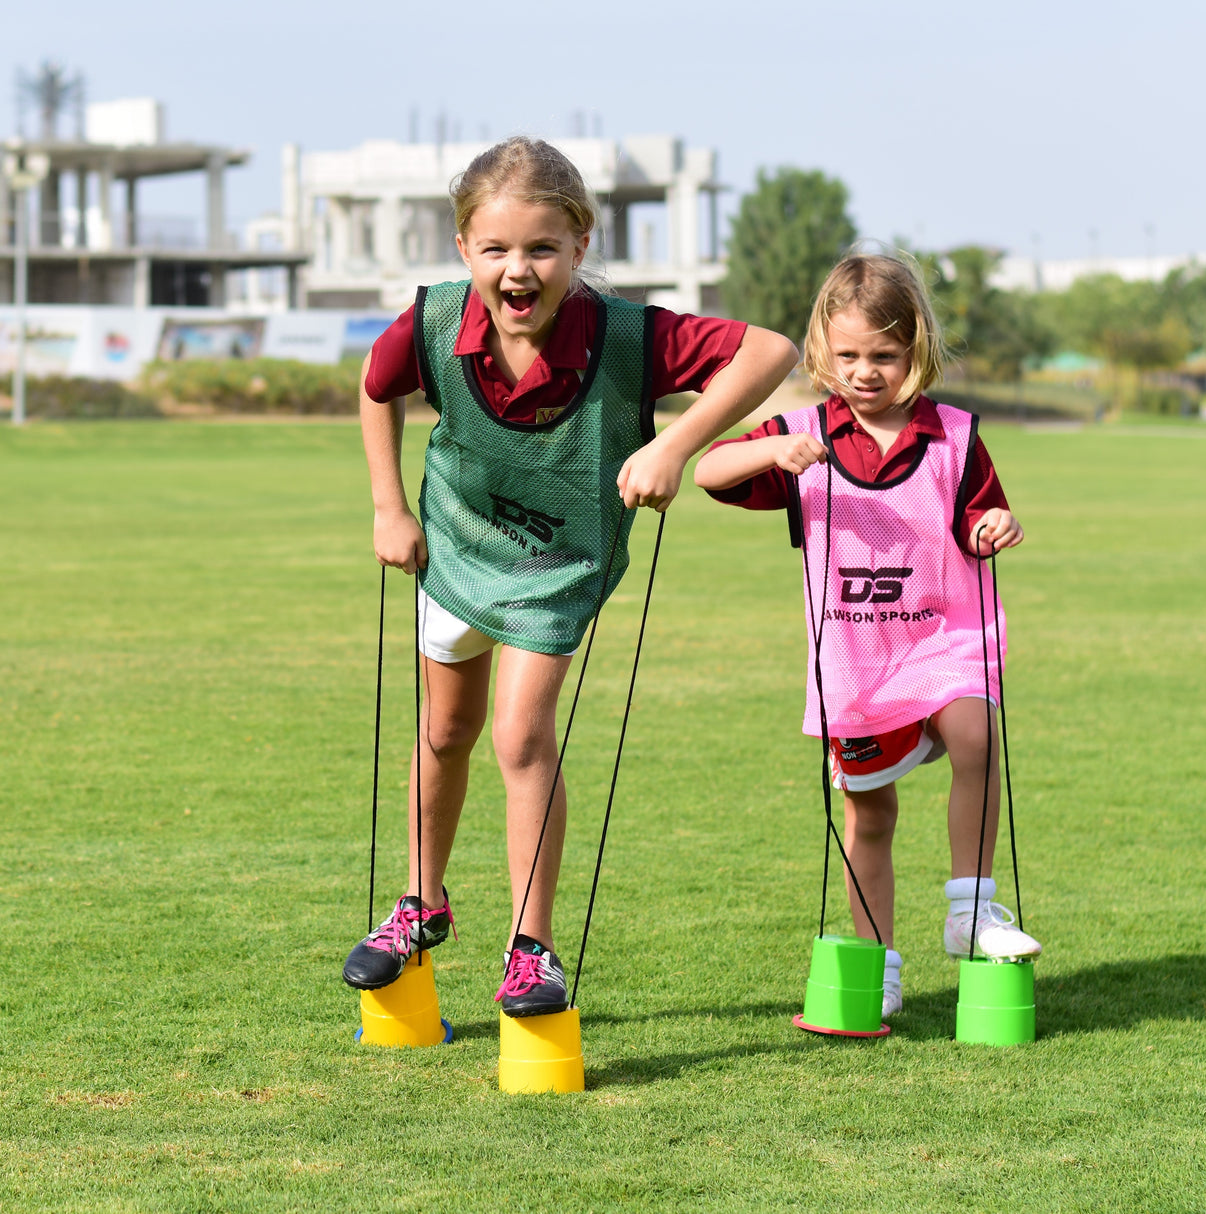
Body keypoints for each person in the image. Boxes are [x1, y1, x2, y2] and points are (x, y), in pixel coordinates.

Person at [342, 136, 799, 1017]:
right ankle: (421, 905)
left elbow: (770, 351)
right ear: (464, 248)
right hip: (455, 548)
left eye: (543, 249)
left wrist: (673, 441)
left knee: (519, 737)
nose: (520, 269)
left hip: (557, 565)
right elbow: (376, 387)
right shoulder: (434, 320)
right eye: (497, 249)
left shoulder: (632, 335)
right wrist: (386, 507)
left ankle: (532, 947)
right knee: (445, 734)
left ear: (581, 246)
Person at [693, 253, 1041, 1019]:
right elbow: (708, 474)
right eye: (848, 355)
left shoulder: (954, 436)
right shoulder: (803, 432)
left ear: (915, 348)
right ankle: (877, 962)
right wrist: (770, 451)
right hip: (856, 666)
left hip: (941, 644)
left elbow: (981, 519)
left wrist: (993, 526)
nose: (865, 371)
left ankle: (971, 908)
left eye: (884, 355)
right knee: (871, 816)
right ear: (822, 349)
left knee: (976, 736)